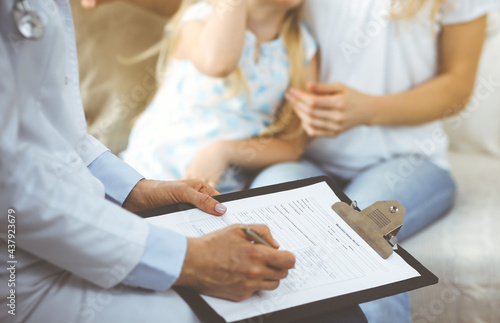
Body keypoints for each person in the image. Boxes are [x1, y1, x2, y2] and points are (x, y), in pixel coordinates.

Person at [0, 1, 367, 322]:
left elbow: (61, 139)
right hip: (27, 276)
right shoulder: (201, 18)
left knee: (333, 306)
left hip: (173, 194)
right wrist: (188, 259)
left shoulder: (301, 45)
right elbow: (15, 185)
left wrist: (137, 189)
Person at [250, 0, 500, 322]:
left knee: (362, 236)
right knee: (263, 225)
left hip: (408, 159)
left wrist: (367, 110)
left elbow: (457, 87)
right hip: (303, 156)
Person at [120, 0, 317, 193]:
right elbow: (217, 63)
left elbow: (293, 146)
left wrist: (225, 150)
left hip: (219, 189)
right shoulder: (201, 18)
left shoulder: (301, 48)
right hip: (150, 173)